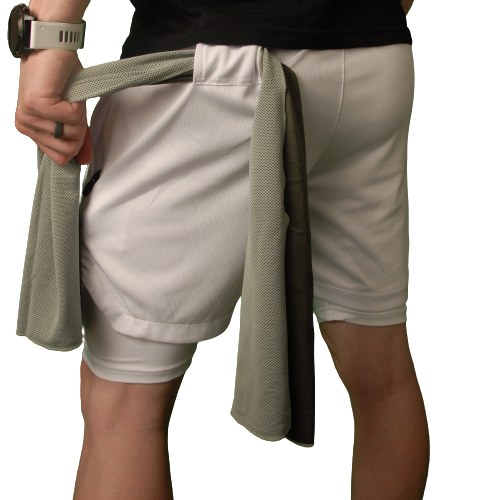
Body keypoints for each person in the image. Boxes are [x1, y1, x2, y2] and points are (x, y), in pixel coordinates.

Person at [14, 0, 429, 499]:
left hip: (215, 63)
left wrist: (48, 36)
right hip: (375, 59)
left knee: (124, 404)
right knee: (381, 375)